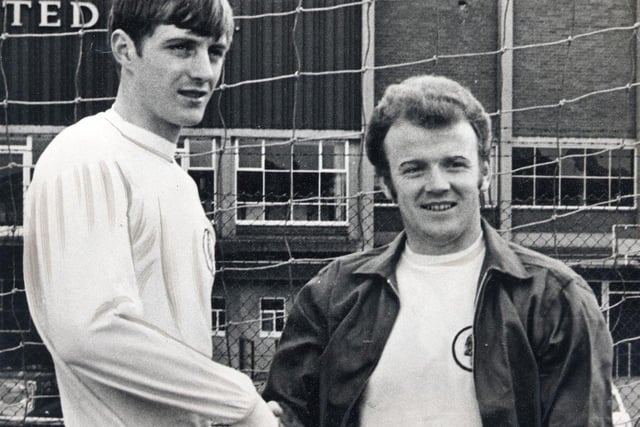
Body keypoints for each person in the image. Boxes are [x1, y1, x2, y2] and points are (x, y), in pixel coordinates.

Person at [262, 74, 613, 426]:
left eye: (454, 164)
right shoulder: (334, 292)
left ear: (485, 173)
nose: (438, 185)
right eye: (414, 169)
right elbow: (288, 413)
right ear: (386, 184)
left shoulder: (555, 298)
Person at [22, 1, 280, 425]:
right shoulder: (86, 154)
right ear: (125, 50)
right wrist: (240, 402)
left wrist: (222, 414)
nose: (203, 71)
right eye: (181, 48)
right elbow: (89, 331)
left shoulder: (180, 183)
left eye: (215, 52)